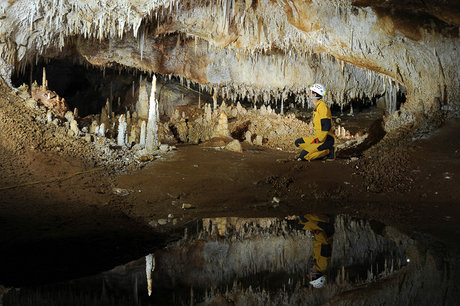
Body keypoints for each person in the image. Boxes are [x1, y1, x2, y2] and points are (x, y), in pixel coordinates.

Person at [295, 83, 335, 161]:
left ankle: (328, 151)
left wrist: (318, 140)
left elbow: (326, 126)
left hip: (324, 140)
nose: (308, 93)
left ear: (315, 94)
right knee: (298, 142)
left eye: (310, 92)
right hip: (317, 138)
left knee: (304, 156)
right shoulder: (318, 106)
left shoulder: (322, 107)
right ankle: (316, 148)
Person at [298, 214, 334, 289]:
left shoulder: (317, 264)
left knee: (300, 224)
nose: (308, 275)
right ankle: (327, 218)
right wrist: (317, 232)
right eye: (310, 278)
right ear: (315, 276)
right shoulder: (323, 264)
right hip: (325, 230)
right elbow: (325, 243)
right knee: (304, 219)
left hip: (322, 231)